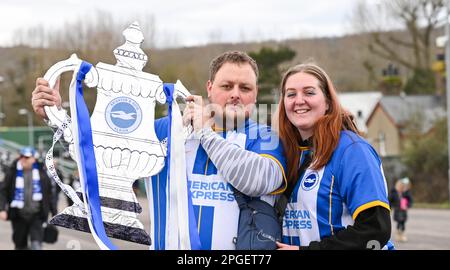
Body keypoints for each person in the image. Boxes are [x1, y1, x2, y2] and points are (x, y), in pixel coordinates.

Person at [31, 51, 287, 250]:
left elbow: (258, 180)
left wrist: (205, 133)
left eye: (245, 88)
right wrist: (58, 116)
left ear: (255, 95)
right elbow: (100, 152)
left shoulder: (265, 137)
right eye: (226, 86)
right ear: (210, 87)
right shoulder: (171, 127)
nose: (235, 95)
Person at [273, 63, 392, 250]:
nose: (299, 100)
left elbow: (375, 230)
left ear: (328, 102)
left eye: (309, 92)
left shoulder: (352, 150)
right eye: (291, 94)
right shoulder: (287, 153)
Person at [0, 147, 56, 250]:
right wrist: (2, 209)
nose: (23, 159)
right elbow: (2, 191)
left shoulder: (42, 174)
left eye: (26, 157)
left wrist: (54, 212)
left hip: (37, 216)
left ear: (33, 159)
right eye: (21, 156)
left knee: (36, 246)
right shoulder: (12, 172)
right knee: (20, 246)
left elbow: (50, 194)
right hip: (18, 215)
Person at [389, 177, 413, 242]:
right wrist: (389, 208)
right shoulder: (393, 193)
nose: (400, 187)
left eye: (401, 186)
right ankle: (398, 234)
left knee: (403, 222)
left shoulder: (406, 193)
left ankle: (402, 235)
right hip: (397, 210)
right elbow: (390, 201)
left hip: (403, 210)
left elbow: (410, 200)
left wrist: (408, 206)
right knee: (399, 222)